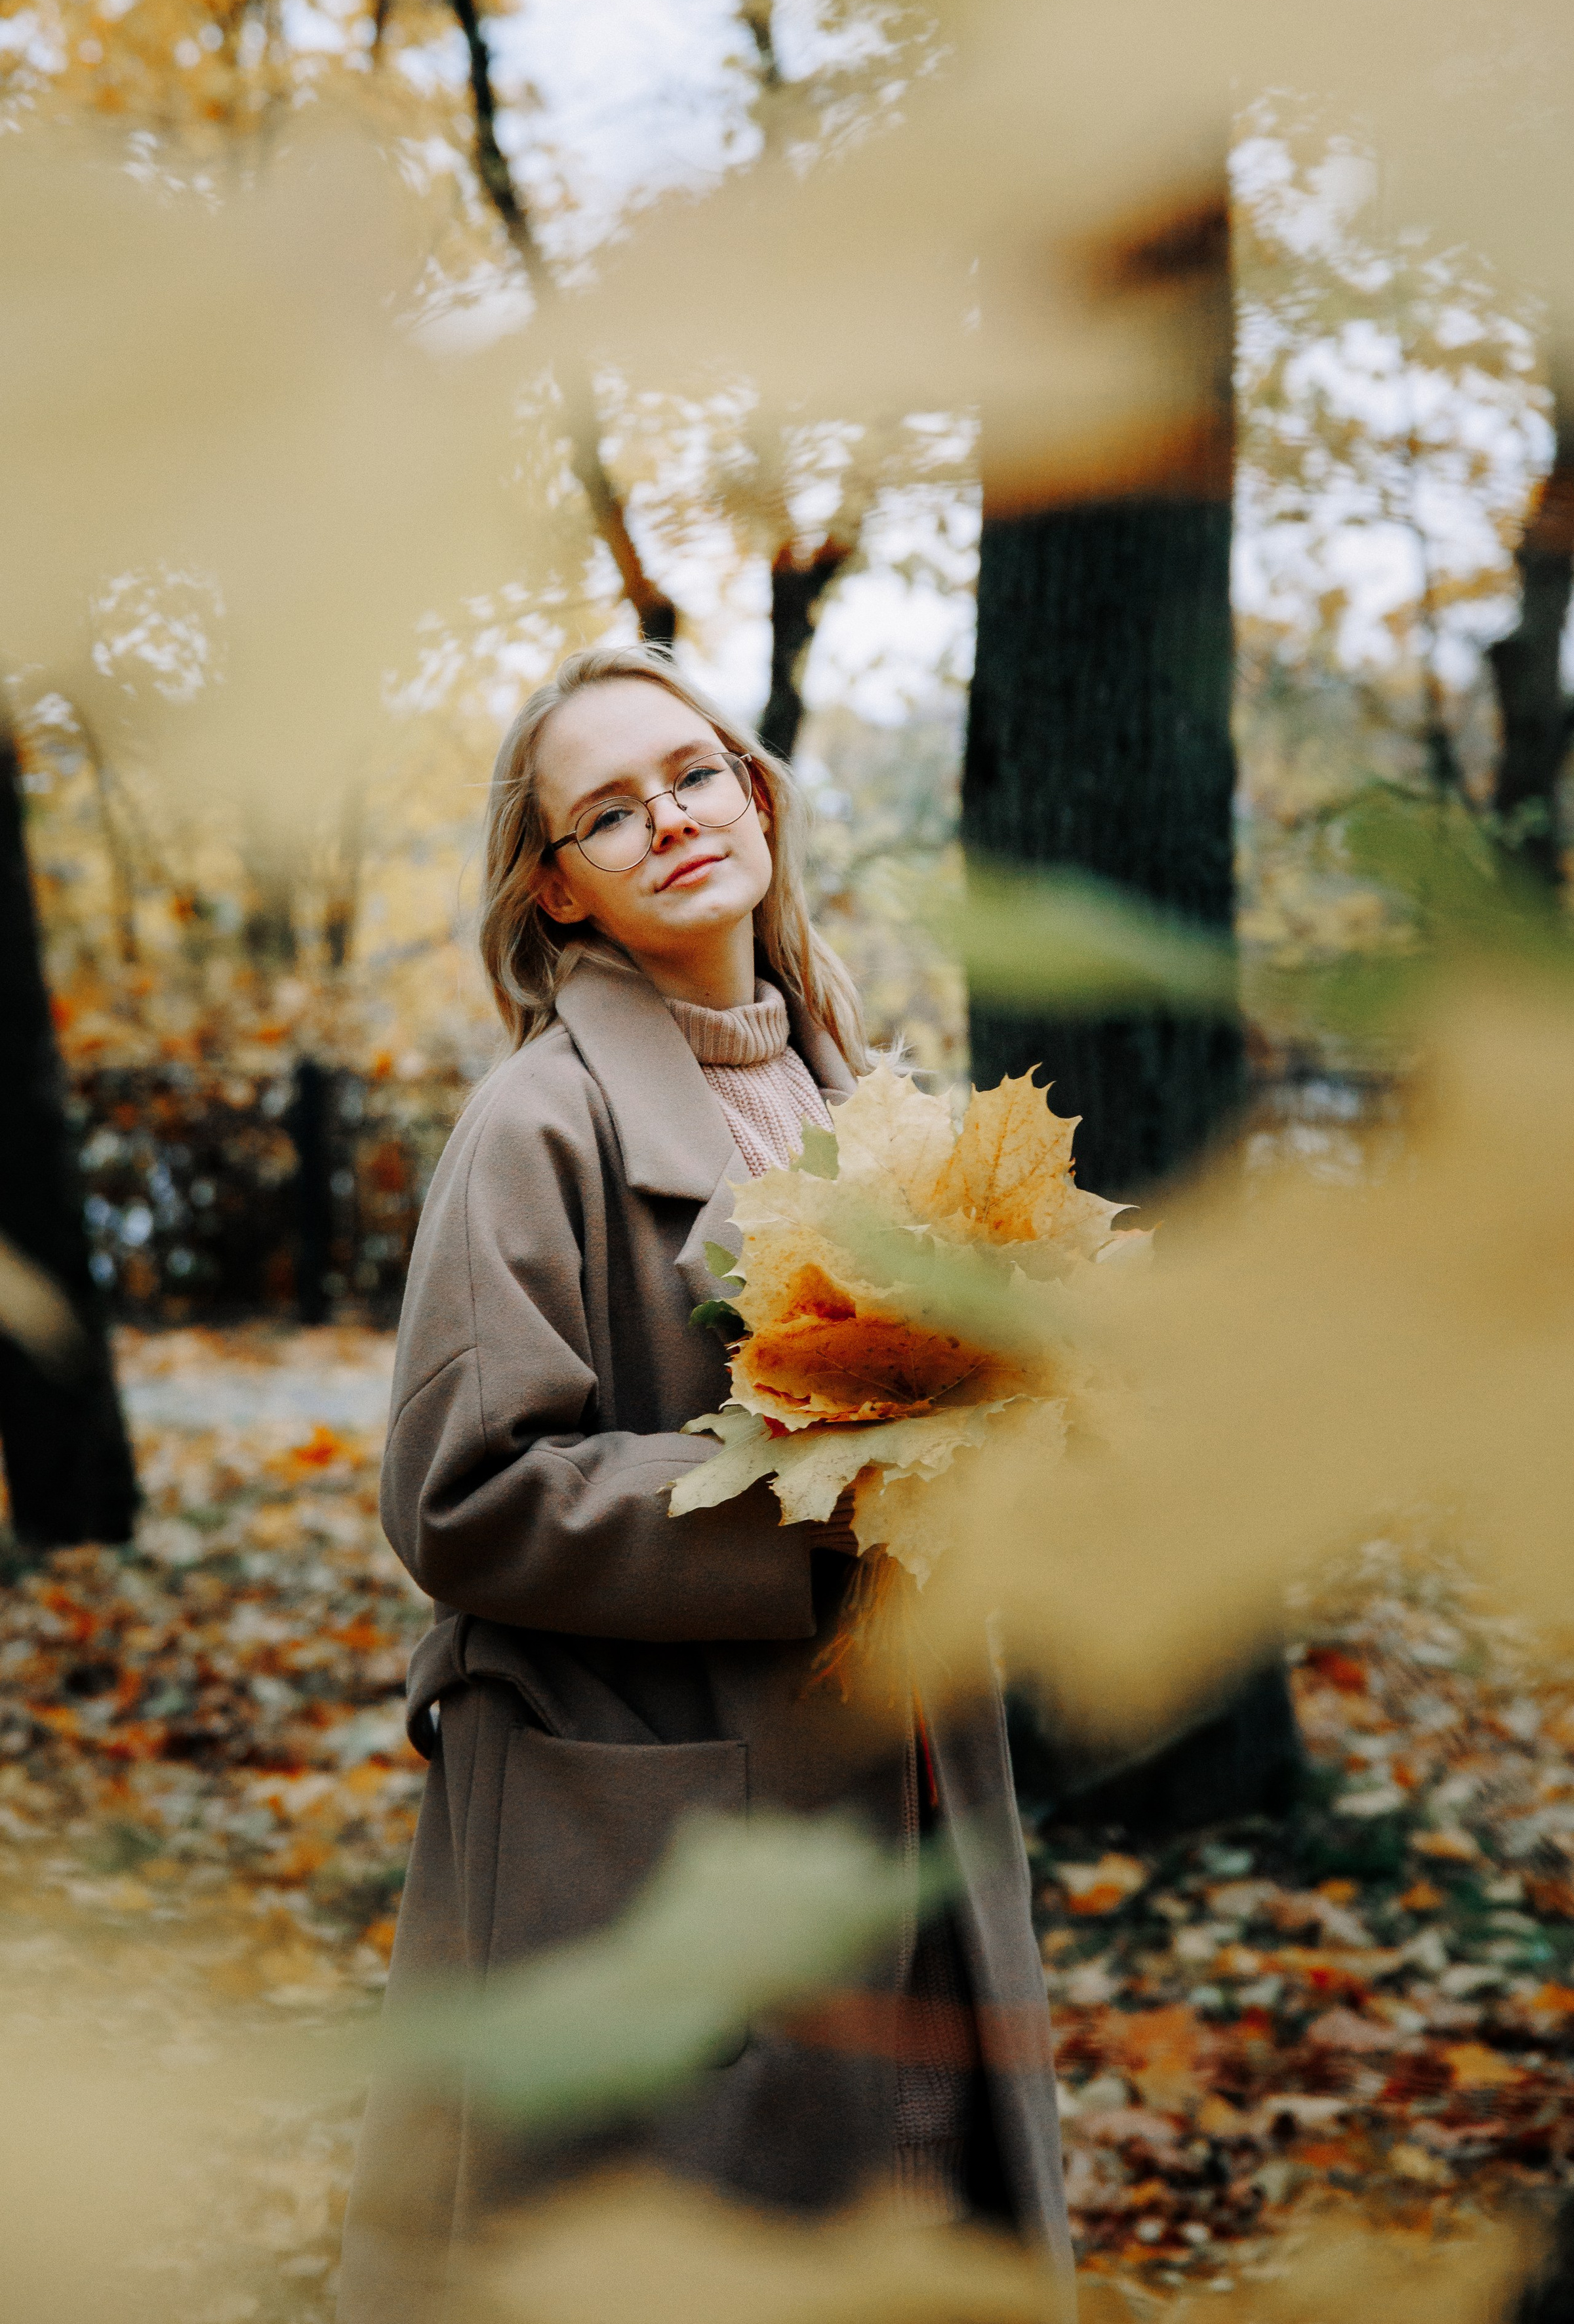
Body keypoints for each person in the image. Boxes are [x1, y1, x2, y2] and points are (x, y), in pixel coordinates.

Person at [336, 643, 1071, 2321]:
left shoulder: (861, 1095)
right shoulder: (536, 1127)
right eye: (607, 810)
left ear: (753, 791)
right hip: (652, 1809)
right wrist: (816, 1491)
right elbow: (461, 1492)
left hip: (904, 1773)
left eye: (690, 773)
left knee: (914, 2225)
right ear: (559, 890)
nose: (669, 819)